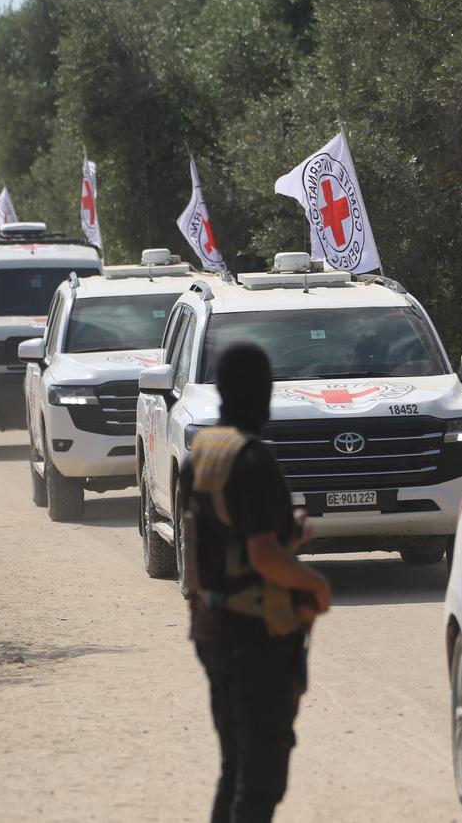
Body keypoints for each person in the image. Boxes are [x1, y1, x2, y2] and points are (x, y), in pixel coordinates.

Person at [177, 342, 332, 823]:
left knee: (235, 769)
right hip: (255, 637)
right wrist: (317, 585)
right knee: (260, 782)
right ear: (264, 393)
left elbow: (217, 539)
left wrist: (290, 530)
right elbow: (262, 555)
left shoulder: (201, 453)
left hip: (213, 628)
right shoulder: (254, 458)